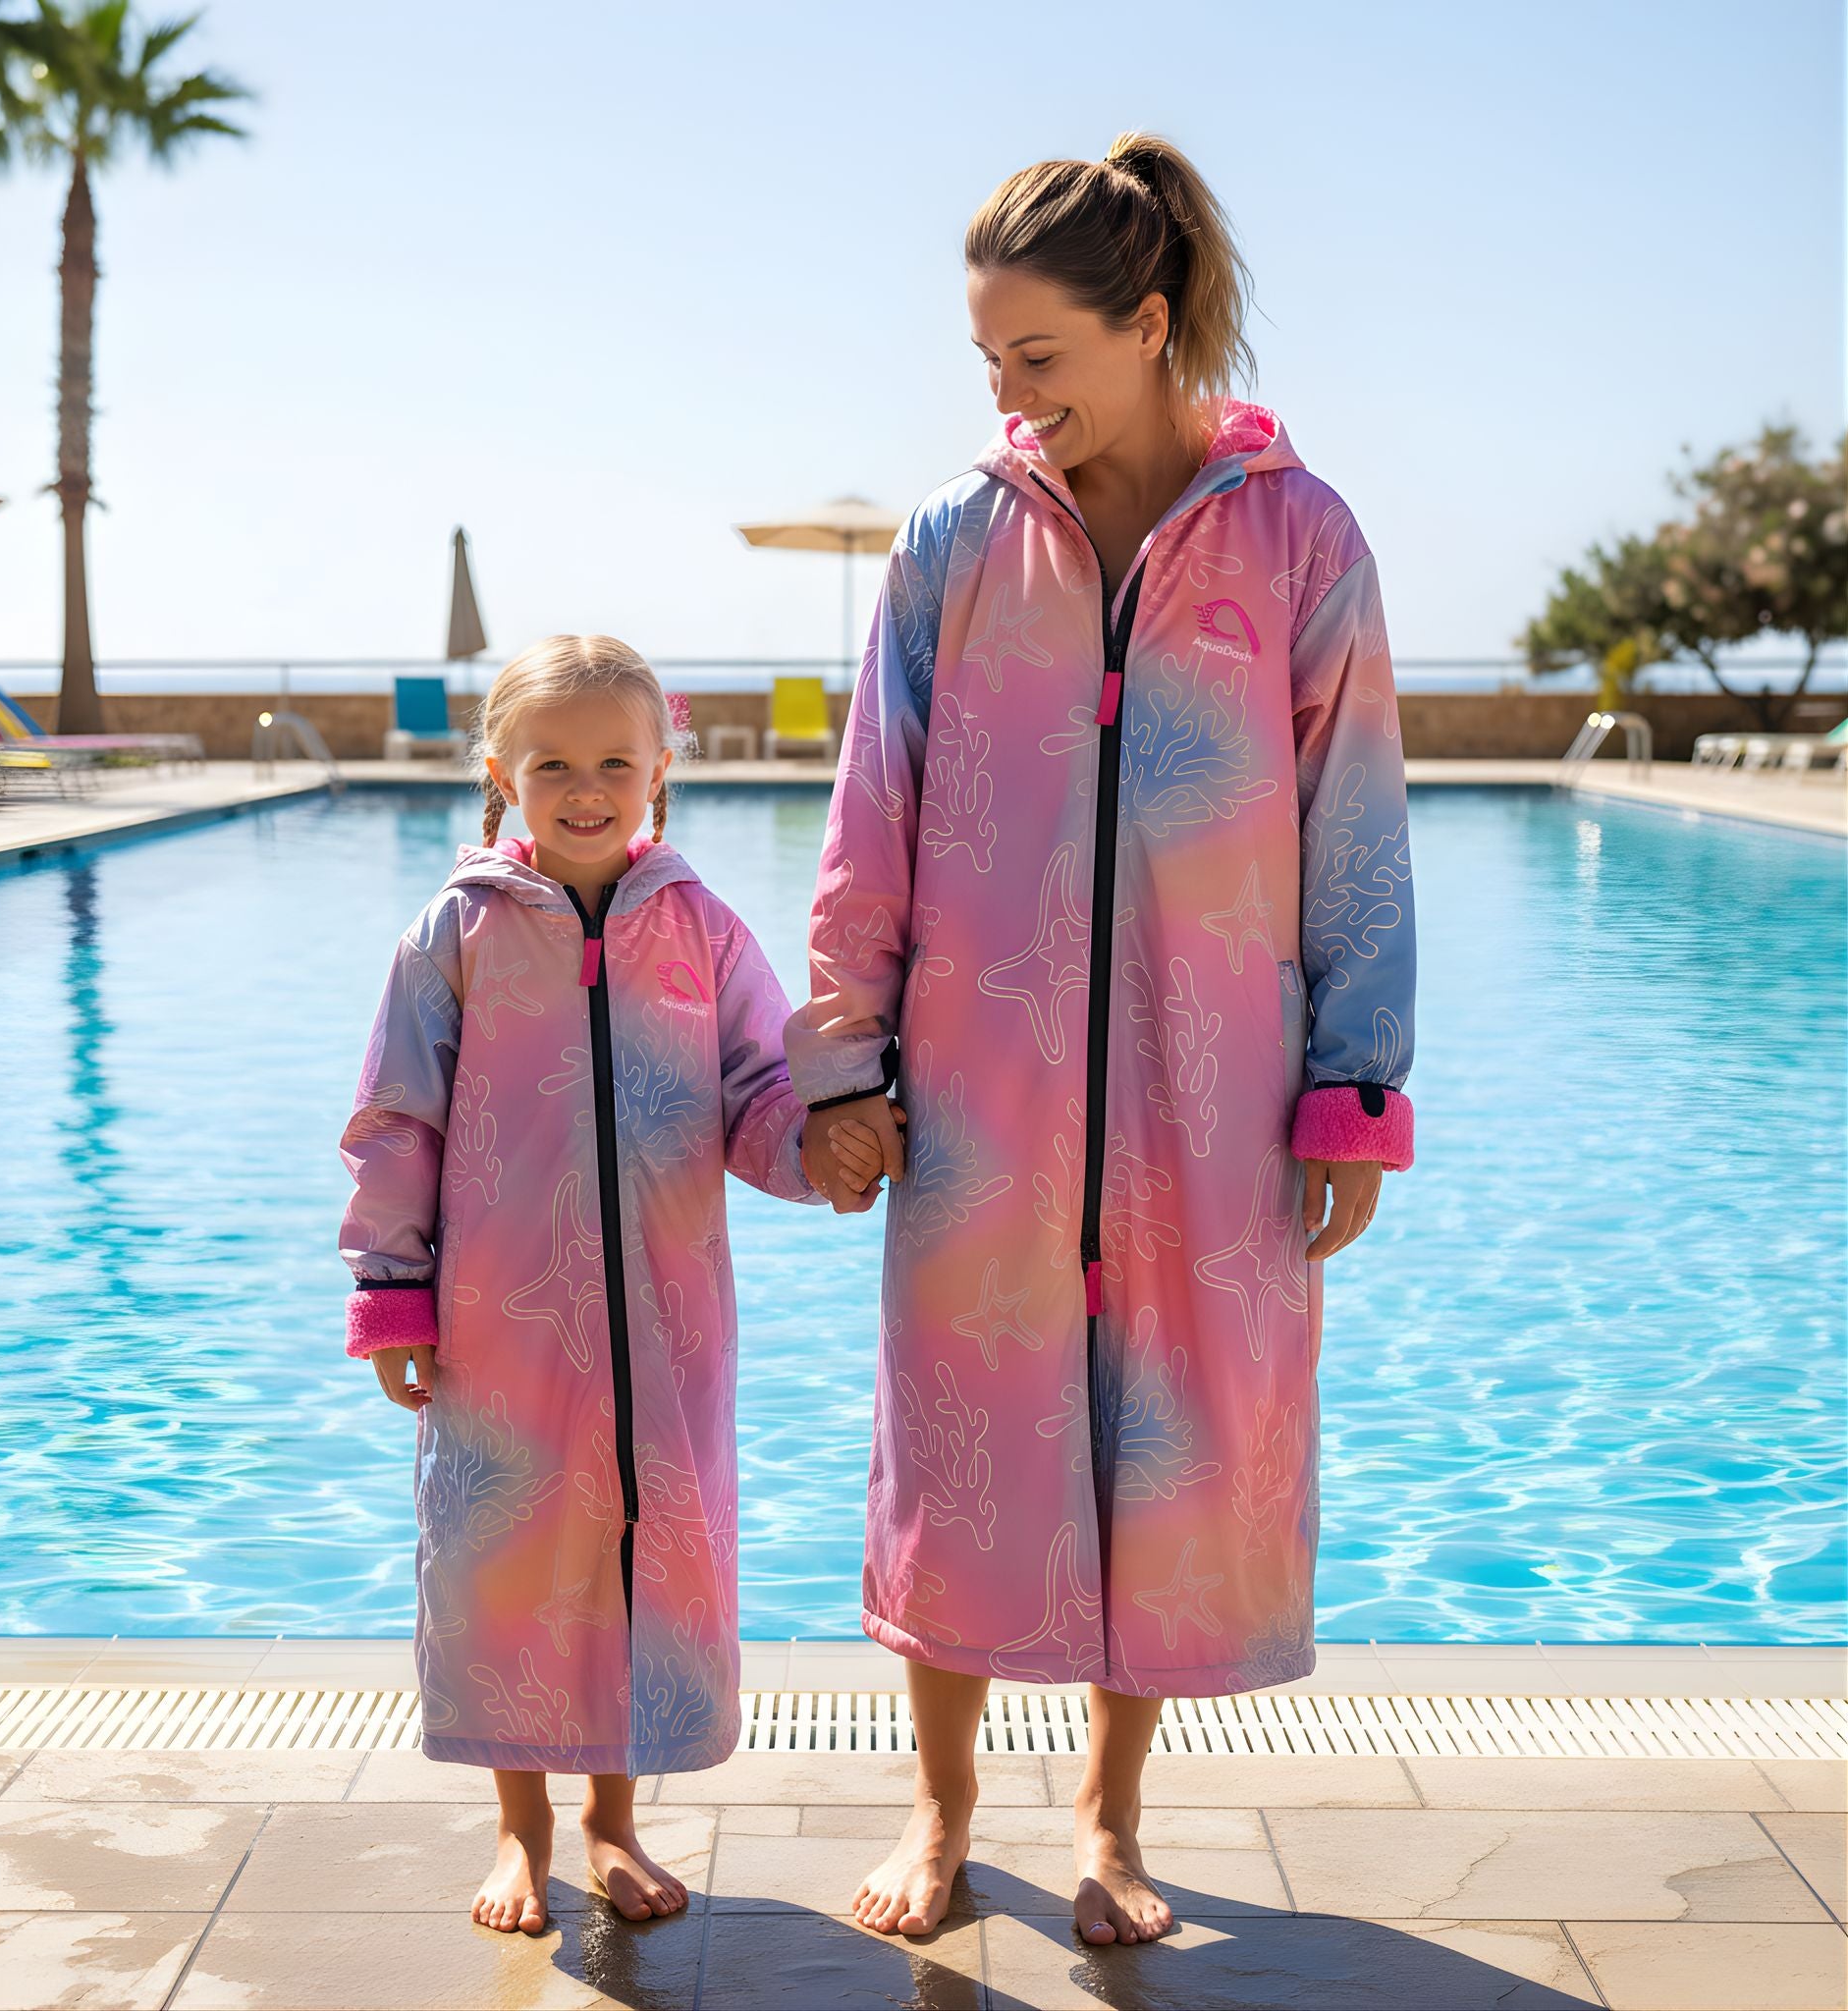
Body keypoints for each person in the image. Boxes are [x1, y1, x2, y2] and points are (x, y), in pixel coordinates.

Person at [792, 132, 1419, 1946]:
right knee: (963, 1447)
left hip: (1207, 1103)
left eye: (1039, 361)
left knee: (1160, 1447)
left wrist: (1350, 1087)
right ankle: (940, 1805)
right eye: (989, 364)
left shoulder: (1300, 541)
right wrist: (845, 1065)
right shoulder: (958, 540)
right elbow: (871, 820)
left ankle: (1113, 1822)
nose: (1009, 399)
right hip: (979, 1105)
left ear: (1150, 328)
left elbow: (1354, 826)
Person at [338, 635, 883, 1934]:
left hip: (663, 1325)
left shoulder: (699, 930)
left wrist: (821, 1149)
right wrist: (391, 1293)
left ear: (661, 772)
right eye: (554, 763)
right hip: (499, 1334)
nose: (587, 787)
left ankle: (612, 1825)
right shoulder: (455, 934)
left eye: (615, 763)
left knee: (640, 1556)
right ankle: (522, 1835)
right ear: (500, 774)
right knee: (508, 1568)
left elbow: (754, 1096)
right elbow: (396, 1117)